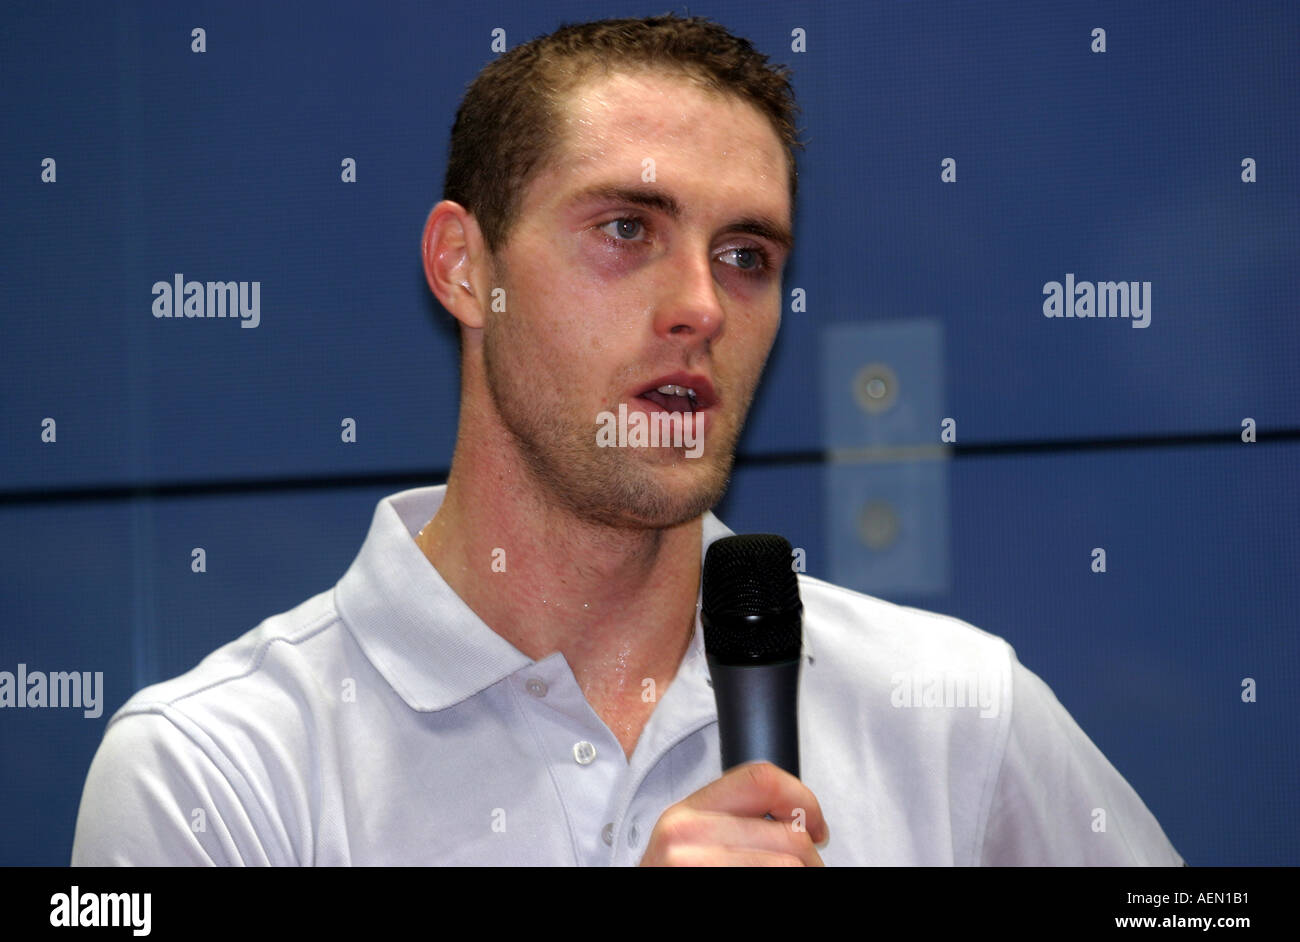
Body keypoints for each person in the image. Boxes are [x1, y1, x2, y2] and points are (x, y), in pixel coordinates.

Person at [72, 14, 1183, 866]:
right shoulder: (213, 773)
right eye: (624, 230)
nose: (699, 303)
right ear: (467, 267)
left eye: (746, 254)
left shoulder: (951, 710)